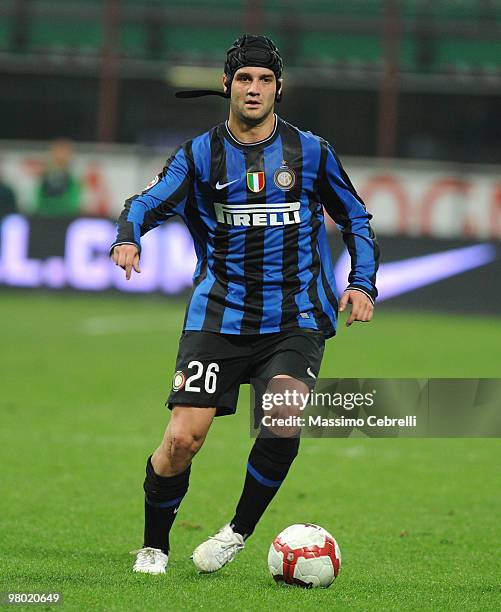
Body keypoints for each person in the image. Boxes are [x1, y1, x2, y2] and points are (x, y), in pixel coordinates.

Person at [110, 34, 379, 576]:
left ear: (279, 88)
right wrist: (128, 236)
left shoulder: (312, 152)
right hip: (219, 315)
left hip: (295, 318)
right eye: (244, 79)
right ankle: (154, 545)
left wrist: (363, 282)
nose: (253, 89)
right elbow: (143, 203)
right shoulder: (198, 155)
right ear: (226, 85)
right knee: (184, 439)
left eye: (264, 80)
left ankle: (236, 532)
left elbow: (356, 218)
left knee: (283, 417)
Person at [34, 139, 81, 216]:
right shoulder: (45, 177)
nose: (62, 155)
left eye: (65, 152)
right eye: (59, 151)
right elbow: (39, 200)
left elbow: (74, 202)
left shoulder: (73, 179)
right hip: (46, 218)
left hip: (66, 217)